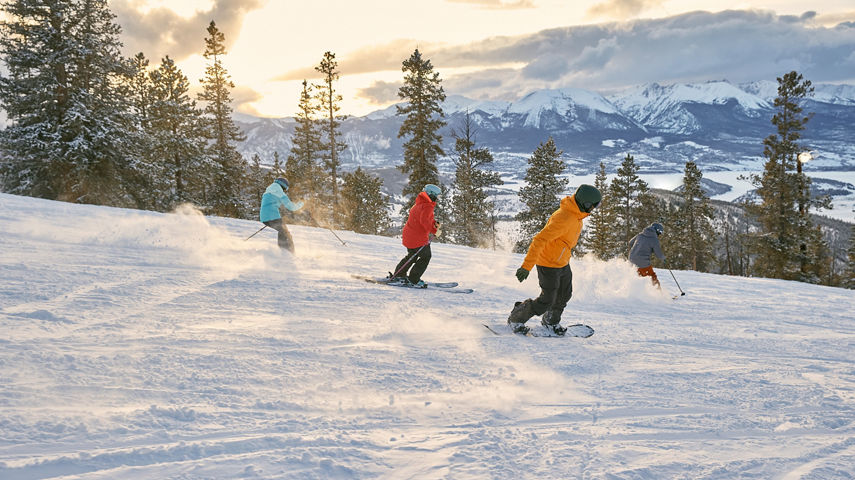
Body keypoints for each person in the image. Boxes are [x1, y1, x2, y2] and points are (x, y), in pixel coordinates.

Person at [508, 184, 602, 335]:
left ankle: (551, 320)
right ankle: (517, 317)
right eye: (595, 205)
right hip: (548, 263)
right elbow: (539, 240)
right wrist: (526, 266)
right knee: (547, 299)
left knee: (565, 294)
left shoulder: (576, 215)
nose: (595, 209)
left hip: (562, 262)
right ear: (586, 203)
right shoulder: (564, 218)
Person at [388, 184, 441, 288]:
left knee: (412, 256)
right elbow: (425, 222)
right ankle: (414, 280)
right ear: (432, 195)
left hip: (409, 236)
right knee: (426, 256)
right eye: (437, 196)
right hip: (418, 239)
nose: (438, 199)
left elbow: (424, 218)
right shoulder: (427, 206)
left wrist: (434, 223)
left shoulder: (420, 203)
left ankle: (399, 275)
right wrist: (434, 230)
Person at [259, 177, 304, 253]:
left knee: (282, 231)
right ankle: (288, 252)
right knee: (286, 233)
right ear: (283, 186)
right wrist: (301, 203)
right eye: (285, 189)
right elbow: (291, 207)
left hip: (264, 217)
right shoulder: (279, 191)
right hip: (272, 217)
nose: (284, 191)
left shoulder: (269, 189)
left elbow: (270, 203)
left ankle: (284, 250)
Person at [628, 222, 666, 288]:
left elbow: (630, 243)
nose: (659, 235)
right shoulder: (654, 240)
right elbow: (659, 254)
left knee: (636, 276)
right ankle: (659, 294)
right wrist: (663, 259)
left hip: (631, 259)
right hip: (643, 262)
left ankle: (635, 292)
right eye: (659, 233)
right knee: (652, 276)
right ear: (657, 231)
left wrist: (639, 248)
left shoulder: (640, 235)